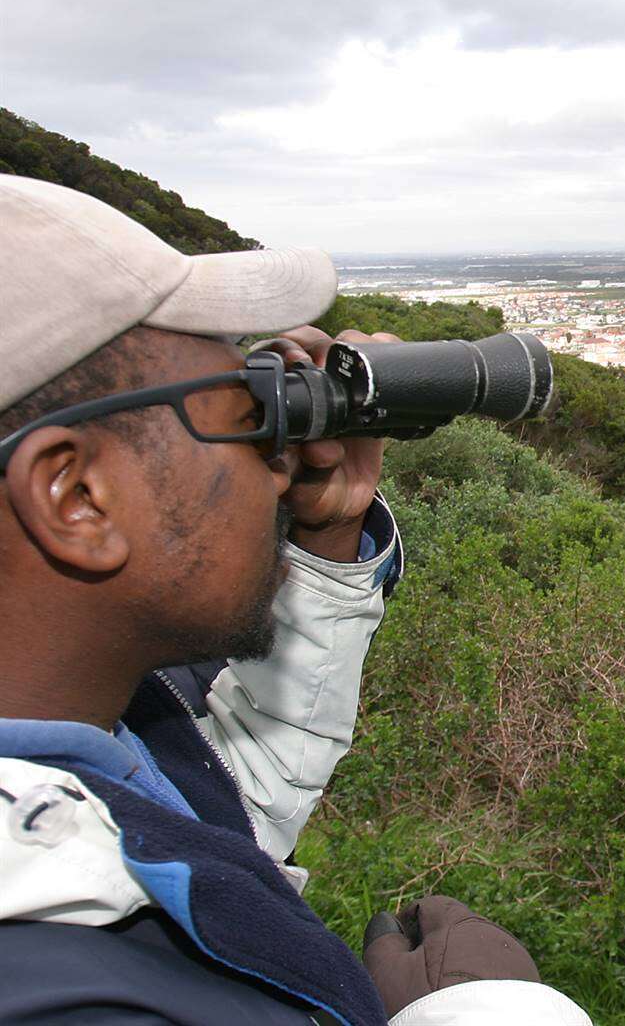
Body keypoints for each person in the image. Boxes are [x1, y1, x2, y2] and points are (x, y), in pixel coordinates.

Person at [0, 175, 590, 1024]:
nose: (279, 462)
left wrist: (323, 545)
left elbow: (211, 804)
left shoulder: (86, 733)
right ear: (77, 497)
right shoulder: (70, 994)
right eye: (245, 414)